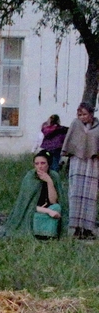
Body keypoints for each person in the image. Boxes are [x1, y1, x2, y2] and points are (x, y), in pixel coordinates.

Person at [4, 150, 68, 239]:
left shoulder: (54, 176)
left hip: (48, 207)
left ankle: (49, 236)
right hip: (33, 210)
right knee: (44, 213)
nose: (40, 166)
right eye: (37, 164)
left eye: (43, 163)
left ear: (48, 164)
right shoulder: (30, 177)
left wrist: (49, 181)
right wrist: (48, 211)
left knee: (56, 208)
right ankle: (37, 234)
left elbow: (53, 201)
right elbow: (26, 204)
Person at [61, 101, 99, 239]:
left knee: (90, 195)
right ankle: (76, 228)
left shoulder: (97, 126)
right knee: (76, 193)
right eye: (80, 114)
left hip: (93, 163)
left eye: (85, 114)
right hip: (77, 162)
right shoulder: (75, 125)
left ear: (91, 114)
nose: (82, 117)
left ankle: (88, 228)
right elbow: (70, 142)